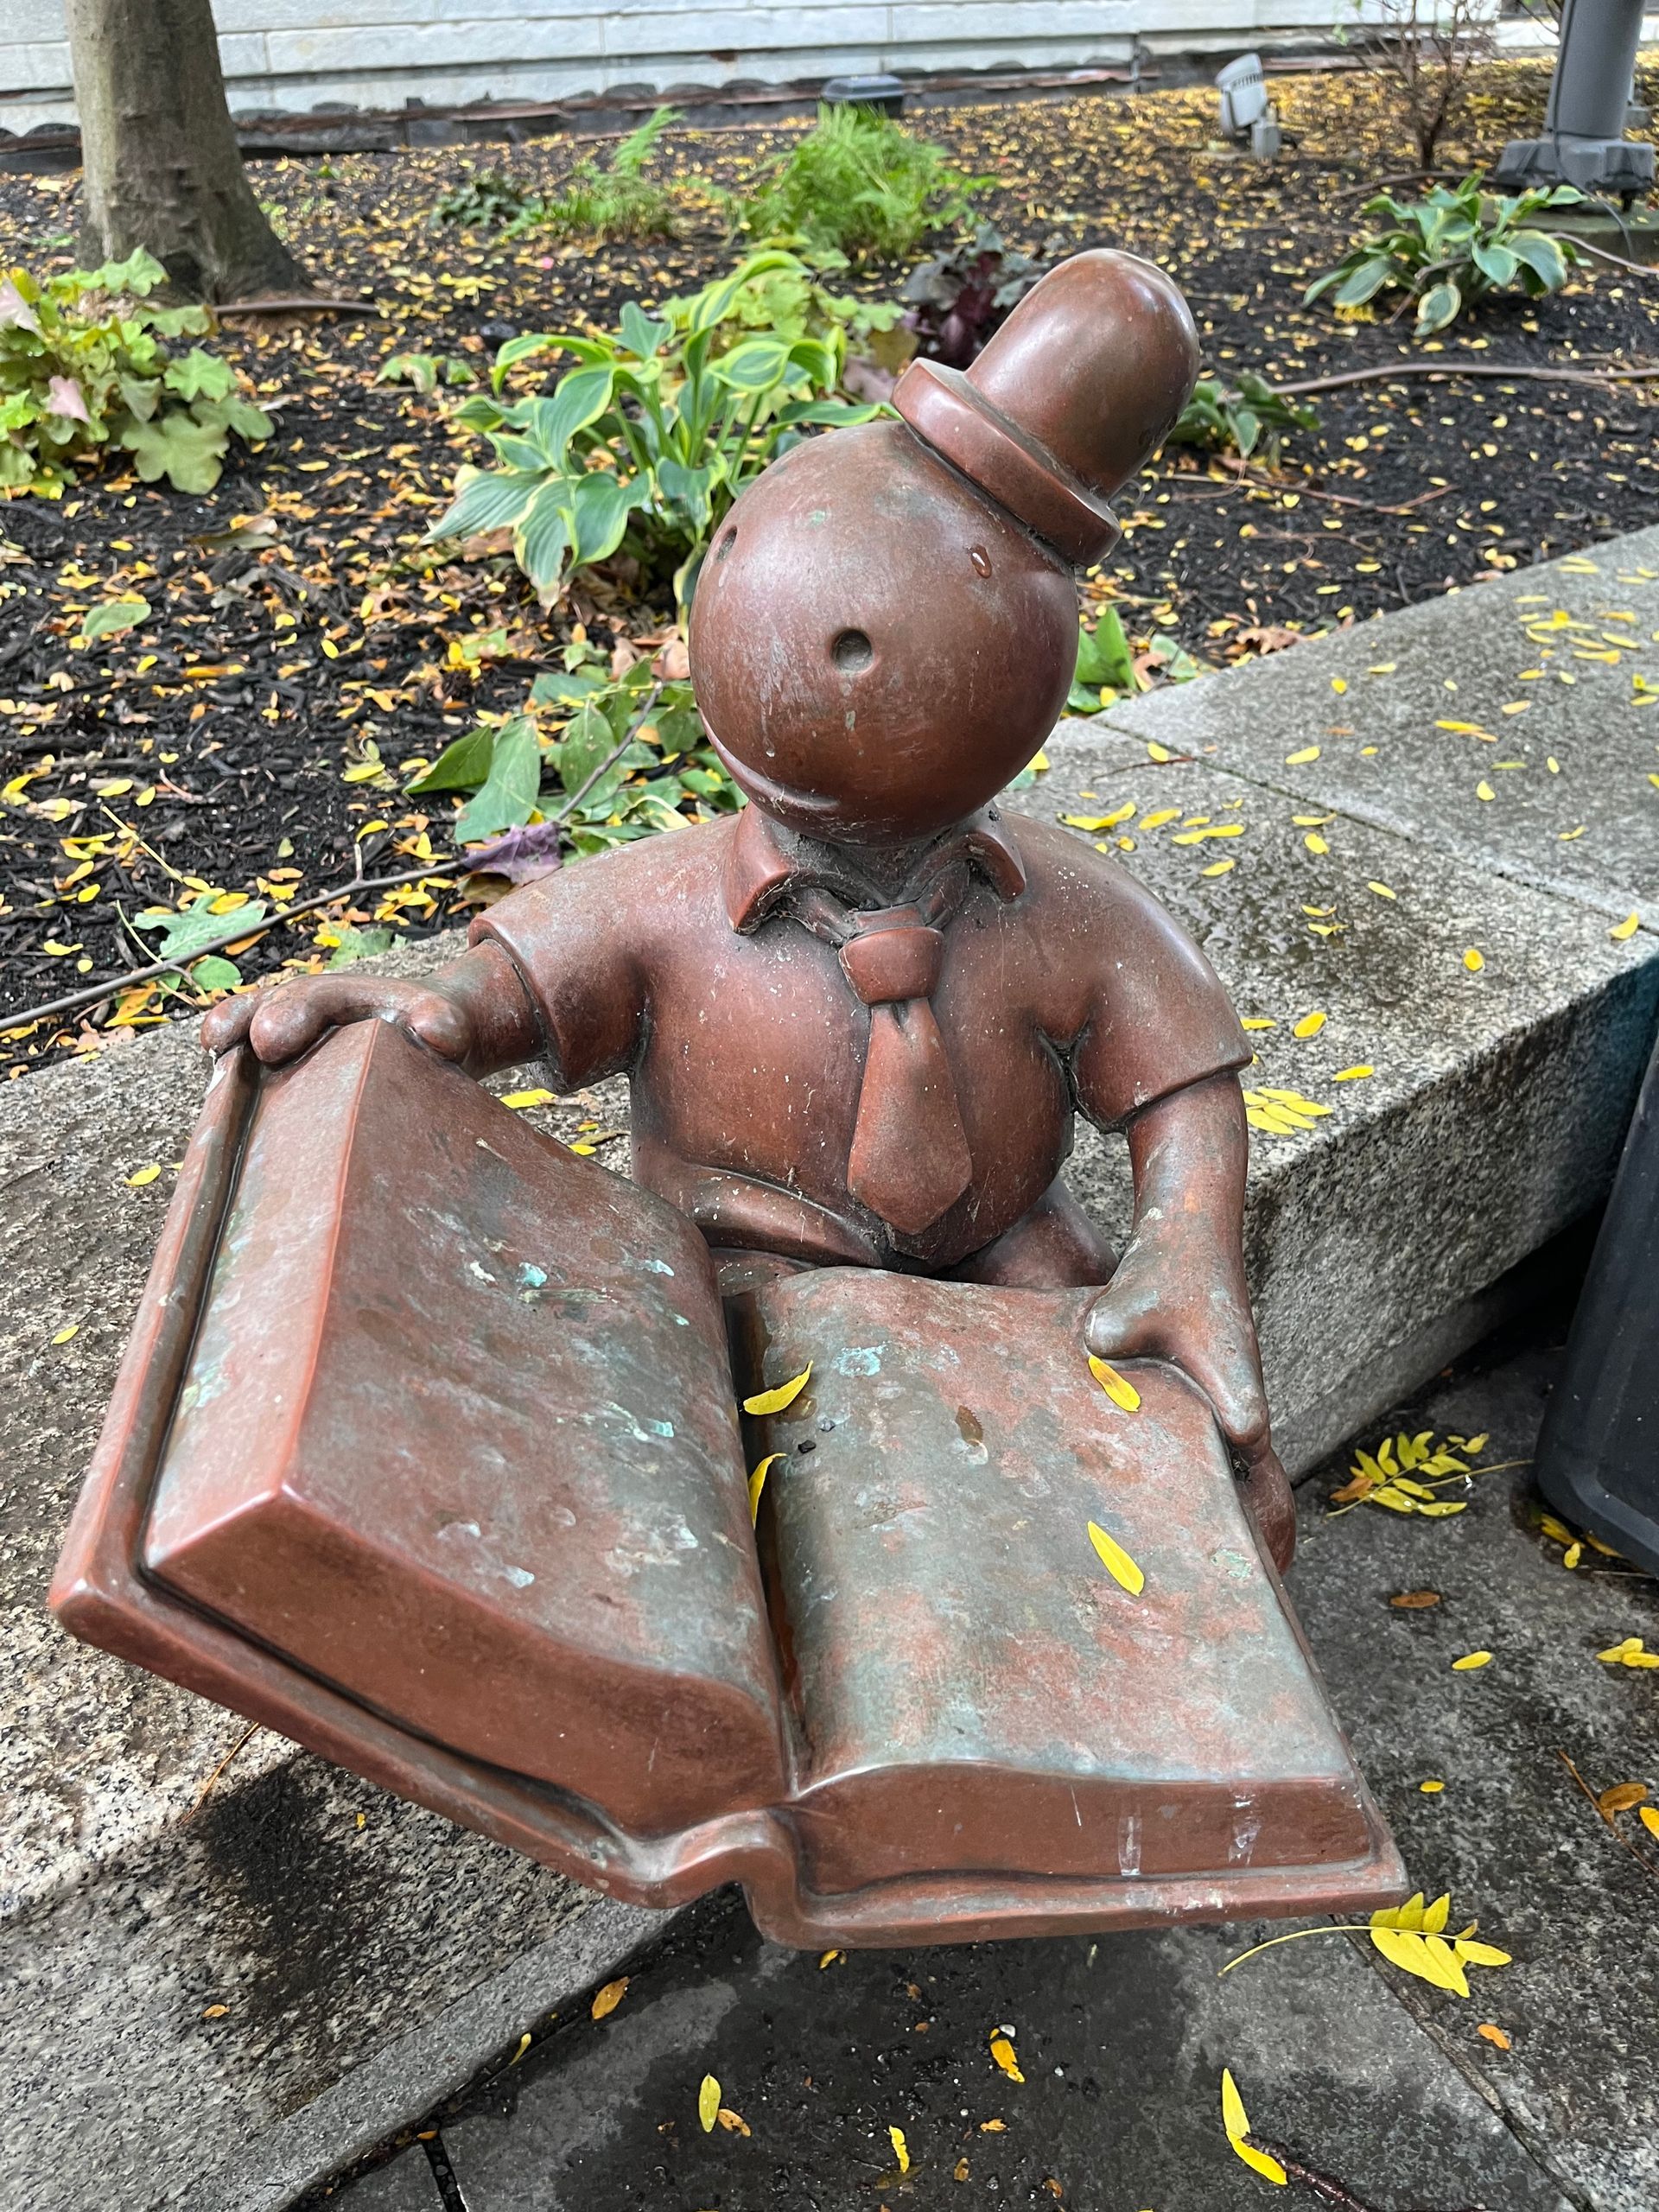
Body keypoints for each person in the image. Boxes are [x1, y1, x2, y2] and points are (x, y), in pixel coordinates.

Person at [205, 249, 1294, 1567]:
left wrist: (1187, 1251)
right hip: (733, 1269)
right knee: (712, 1506)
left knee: (1170, 1467)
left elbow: (1182, 1076)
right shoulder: (671, 900)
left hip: (1005, 1259)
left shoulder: (1064, 911)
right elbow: (530, 984)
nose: (828, 649)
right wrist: (444, 1005)